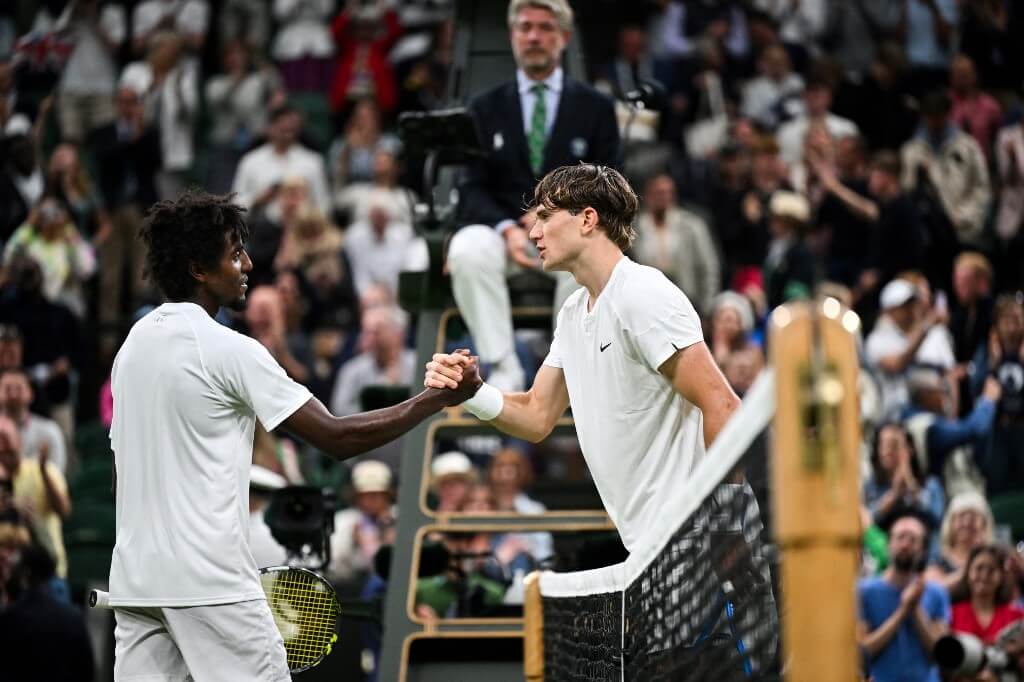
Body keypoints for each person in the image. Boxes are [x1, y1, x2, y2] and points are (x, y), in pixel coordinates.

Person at [107, 188, 480, 681]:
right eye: (234, 253)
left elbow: (121, 476)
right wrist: (435, 399)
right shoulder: (229, 349)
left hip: (136, 584)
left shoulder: (132, 347)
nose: (247, 264)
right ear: (199, 268)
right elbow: (337, 437)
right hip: (211, 584)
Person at [426, 164, 741, 556]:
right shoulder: (574, 311)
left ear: (588, 219)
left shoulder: (643, 294)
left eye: (544, 216)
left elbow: (724, 405)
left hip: (701, 537)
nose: (534, 232)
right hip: (650, 547)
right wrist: (471, 392)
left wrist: (729, 530)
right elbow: (537, 415)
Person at [446, 0, 620, 392]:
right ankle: (503, 364)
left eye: (544, 27)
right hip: (506, 237)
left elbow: (609, 184)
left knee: (594, 250)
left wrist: (552, 217)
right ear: (513, 36)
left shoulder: (597, 108)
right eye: (525, 28)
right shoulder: (483, 107)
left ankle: (567, 370)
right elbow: (469, 186)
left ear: (564, 37)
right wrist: (508, 227)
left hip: (571, 233)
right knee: (466, 248)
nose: (534, 37)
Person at [858, 510, 950, 682]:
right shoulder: (865, 591)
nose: (905, 545)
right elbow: (863, 651)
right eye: (900, 537)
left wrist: (915, 610)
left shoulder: (936, 592)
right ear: (889, 544)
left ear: (923, 549)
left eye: (913, 540)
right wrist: (902, 611)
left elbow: (939, 656)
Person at [949, 544, 1024, 645]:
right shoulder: (951, 614)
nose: (984, 576)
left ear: (1001, 576)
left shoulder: (1017, 617)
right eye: (979, 568)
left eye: (991, 570)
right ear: (967, 573)